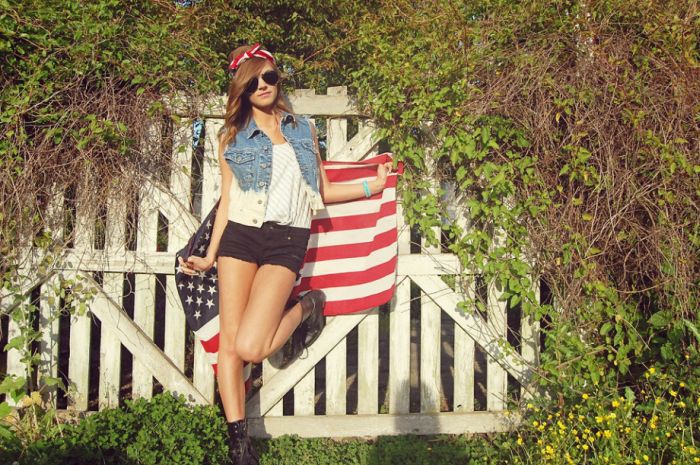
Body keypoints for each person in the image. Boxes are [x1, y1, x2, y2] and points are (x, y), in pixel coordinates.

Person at [177, 43, 393, 464]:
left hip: (287, 240)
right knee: (230, 347)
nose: (262, 85)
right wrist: (208, 255)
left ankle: (308, 306)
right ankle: (238, 442)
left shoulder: (302, 130)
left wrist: (375, 186)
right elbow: (226, 201)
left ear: (278, 79)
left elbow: (324, 190)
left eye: (269, 76)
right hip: (240, 238)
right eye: (253, 80)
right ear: (241, 87)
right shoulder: (231, 137)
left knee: (253, 347)